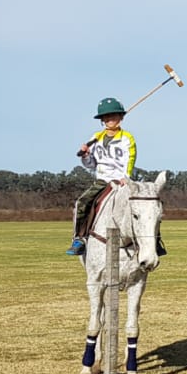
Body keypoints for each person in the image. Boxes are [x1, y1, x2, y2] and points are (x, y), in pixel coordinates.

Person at [66, 97, 138, 255]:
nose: (110, 119)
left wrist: (126, 177)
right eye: (106, 116)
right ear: (102, 120)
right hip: (102, 181)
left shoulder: (127, 138)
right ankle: (79, 238)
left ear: (121, 117)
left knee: (146, 205)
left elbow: (130, 159)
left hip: (121, 181)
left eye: (114, 115)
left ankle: (154, 242)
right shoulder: (95, 138)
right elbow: (91, 165)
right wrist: (85, 155)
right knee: (81, 203)